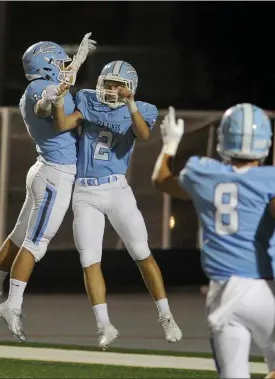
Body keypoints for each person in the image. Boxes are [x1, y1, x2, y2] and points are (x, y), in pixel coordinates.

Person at [151, 105, 275, 378]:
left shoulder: (204, 175)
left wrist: (171, 144)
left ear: (224, 139)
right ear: (265, 142)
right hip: (262, 291)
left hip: (222, 293)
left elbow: (161, 181)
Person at [44, 60, 182, 350]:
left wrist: (130, 105)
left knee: (142, 253)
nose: (112, 90)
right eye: (108, 83)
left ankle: (166, 316)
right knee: (89, 260)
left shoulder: (143, 109)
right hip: (84, 191)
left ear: (130, 89)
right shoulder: (86, 100)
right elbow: (62, 124)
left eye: (119, 85)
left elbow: (144, 135)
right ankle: (104, 325)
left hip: (117, 189)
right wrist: (58, 100)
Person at [0, 34, 96, 343]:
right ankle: (11, 305)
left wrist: (79, 61)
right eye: (61, 61)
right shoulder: (40, 90)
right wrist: (52, 96)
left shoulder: (39, 85)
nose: (66, 65)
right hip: (56, 175)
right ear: (47, 66)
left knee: (17, 237)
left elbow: (62, 84)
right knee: (35, 243)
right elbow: (45, 106)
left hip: (44, 169)